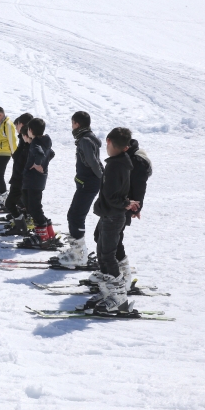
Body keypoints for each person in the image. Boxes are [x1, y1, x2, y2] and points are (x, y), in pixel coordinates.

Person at [84, 128, 140, 313]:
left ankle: (120, 299)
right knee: (102, 252)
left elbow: (112, 196)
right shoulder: (120, 162)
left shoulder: (116, 165)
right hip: (110, 214)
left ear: (108, 141)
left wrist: (125, 203)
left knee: (107, 255)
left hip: (113, 215)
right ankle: (109, 291)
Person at [56, 111, 104, 266]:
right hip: (87, 183)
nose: (72, 127)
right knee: (74, 215)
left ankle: (79, 255)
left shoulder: (84, 140)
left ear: (77, 124)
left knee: (75, 216)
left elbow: (93, 163)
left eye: (72, 124)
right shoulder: (88, 138)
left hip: (88, 184)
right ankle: (78, 251)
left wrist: (102, 180)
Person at [20, 118, 56, 249]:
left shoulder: (35, 142)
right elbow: (51, 153)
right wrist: (44, 163)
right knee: (34, 206)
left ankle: (42, 237)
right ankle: (49, 233)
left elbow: (40, 154)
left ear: (30, 130)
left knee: (33, 208)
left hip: (32, 180)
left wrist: (38, 164)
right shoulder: (46, 141)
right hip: (38, 180)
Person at [0, 113, 33, 234]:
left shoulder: (28, 141)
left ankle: (23, 224)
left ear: (21, 125)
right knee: (19, 202)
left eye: (16, 125)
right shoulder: (24, 140)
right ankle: (21, 221)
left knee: (13, 203)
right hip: (19, 177)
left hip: (22, 178)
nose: (15, 127)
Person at [0, 106, 17, 200]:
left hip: (4, 153)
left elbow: (12, 140)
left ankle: (3, 197)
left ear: (1, 114)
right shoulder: (2, 124)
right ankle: (0, 196)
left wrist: (15, 154)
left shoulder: (8, 124)